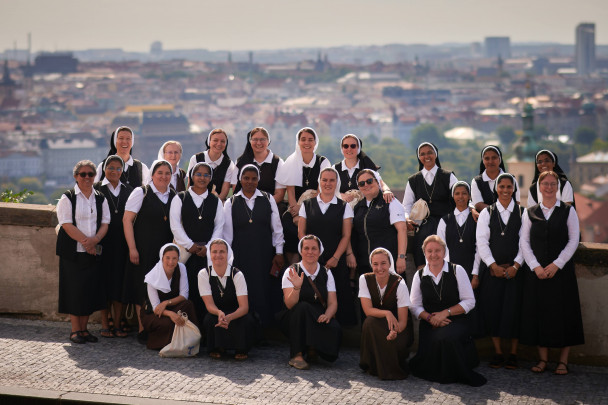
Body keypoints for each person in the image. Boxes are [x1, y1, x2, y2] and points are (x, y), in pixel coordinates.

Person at [520, 170, 584, 375]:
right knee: (539, 314)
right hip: (536, 273)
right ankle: (543, 360)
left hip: (561, 272)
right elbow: (524, 242)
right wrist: (535, 266)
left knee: (565, 314)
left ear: (558, 187)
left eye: (552, 184)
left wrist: (557, 264)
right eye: (545, 184)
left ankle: (563, 361)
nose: (548, 187)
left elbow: (574, 240)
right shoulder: (529, 212)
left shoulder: (568, 211)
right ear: (539, 187)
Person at [409, 235, 486, 387]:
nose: (433, 254)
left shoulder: (458, 270)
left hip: (456, 320)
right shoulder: (419, 275)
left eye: (438, 250)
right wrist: (431, 318)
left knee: (446, 338)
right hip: (430, 322)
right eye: (429, 251)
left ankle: (453, 372)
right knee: (438, 337)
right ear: (424, 253)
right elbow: (414, 306)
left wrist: (445, 313)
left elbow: (470, 301)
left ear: (444, 252)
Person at [223, 164, 285, 326]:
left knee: (263, 291)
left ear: (259, 180)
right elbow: (227, 235)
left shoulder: (268, 198)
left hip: (263, 254)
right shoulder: (231, 202)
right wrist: (228, 261)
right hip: (240, 255)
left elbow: (277, 229)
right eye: (246, 178)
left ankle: (263, 330)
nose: (250, 182)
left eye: (254, 178)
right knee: (243, 291)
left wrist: (279, 252)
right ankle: (245, 329)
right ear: (240, 180)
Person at [56, 160, 110, 344]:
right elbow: (66, 224)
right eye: (83, 174)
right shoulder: (68, 198)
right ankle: (75, 330)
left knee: (89, 291)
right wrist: (86, 242)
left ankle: (85, 330)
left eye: (90, 174)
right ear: (76, 177)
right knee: (74, 291)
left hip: (92, 251)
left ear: (95, 176)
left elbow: (105, 223)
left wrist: (95, 241)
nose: (87, 178)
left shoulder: (100, 198)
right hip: (73, 252)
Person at [123, 159, 176, 343]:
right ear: (152, 175)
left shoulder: (175, 195)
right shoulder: (141, 192)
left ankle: (158, 328)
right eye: (160, 172)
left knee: (161, 289)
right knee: (142, 288)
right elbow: (127, 220)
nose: (163, 176)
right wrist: (132, 248)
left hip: (165, 252)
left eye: (167, 173)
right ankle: (142, 327)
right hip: (143, 248)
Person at [476, 173, 525, 369]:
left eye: (509, 187)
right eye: (501, 187)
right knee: (493, 309)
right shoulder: (487, 212)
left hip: (516, 271)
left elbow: (525, 243)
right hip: (492, 271)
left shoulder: (523, 213)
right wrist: (492, 265)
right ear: (496, 189)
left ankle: (513, 353)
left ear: (514, 189)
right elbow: (481, 242)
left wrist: (516, 265)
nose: (505, 190)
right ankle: (497, 352)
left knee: (514, 311)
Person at [298, 167, 356, 326]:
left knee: (339, 295)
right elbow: (301, 233)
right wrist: (310, 256)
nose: (328, 183)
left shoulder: (344, 207)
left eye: (332, 180)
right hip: (311, 259)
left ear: (337, 182)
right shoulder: (307, 204)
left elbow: (346, 235)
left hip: (335, 258)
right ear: (319, 182)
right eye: (324, 180)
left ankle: (336, 336)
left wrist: (336, 258)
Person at [170, 162, 224, 323]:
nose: (202, 178)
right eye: (198, 174)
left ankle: (205, 330)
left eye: (206, 175)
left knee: (206, 291)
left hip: (207, 254)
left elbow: (219, 226)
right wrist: (190, 245)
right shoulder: (180, 198)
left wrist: (208, 247)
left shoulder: (215, 201)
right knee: (186, 290)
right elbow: (175, 225)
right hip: (185, 253)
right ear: (192, 176)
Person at [280, 235, 341, 370]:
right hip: (295, 317)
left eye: (314, 248)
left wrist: (328, 315)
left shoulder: (326, 273)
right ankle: (297, 354)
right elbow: (289, 305)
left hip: (318, 315)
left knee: (334, 328)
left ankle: (314, 347)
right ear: (301, 251)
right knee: (302, 307)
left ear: (319, 252)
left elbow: (333, 303)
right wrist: (296, 288)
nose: (310, 252)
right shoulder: (291, 271)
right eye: (306, 248)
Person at [276, 127, 331, 261]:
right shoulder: (291, 161)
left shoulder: (322, 162)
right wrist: (295, 211)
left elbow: (321, 190)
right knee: (288, 224)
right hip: (296, 207)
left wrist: (304, 210)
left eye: (310, 140)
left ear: (315, 142)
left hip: (316, 204)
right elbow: (290, 191)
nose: (307, 143)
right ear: (298, 142)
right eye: (303, 139)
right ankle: (293, 266)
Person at [94, 155, 133, 338]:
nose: (114, 171)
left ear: (122, 170)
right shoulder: (96, 189)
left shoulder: (130, 191)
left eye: (118, 168)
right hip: (103, 242)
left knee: (120, 284)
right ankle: (105, 323)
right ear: (104, 169)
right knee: (103, 284)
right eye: (111, 167)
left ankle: (117, 323)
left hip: (123, 244)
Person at [403, 142, 458, 269]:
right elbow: (406, 204)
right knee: (421, 251)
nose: (426, 156)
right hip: (423, 225)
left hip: (446, 221)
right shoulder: (413, 180)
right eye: (422, 154)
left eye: (429, 152)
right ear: (419, 157)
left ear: (435, 154)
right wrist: (407, 218)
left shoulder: (448, 176)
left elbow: (460, 196)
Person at [359, 248, 412, 380]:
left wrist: (395, 331)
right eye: (375, 264)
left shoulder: (400, 284)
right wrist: (387, 313)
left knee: (394, 340)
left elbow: (403, 322)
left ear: (390, 264)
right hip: (378, 323)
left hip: (398, 327)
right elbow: (367, 310)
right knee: (369, 322)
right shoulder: (364, 279)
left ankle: (391, 368)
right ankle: (372, 364)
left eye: (383, 263)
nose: (379, 268)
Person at [198, 239, 256, 359]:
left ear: (227, 254)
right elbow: (209, 305)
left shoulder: (237, 274)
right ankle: (217, 347)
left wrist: (229, 317)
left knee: (246, 320)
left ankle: (241, 349)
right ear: (210, 254)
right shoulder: (203, 274)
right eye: (214, 252)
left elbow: (244, 307)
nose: (218, 255)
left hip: (236, 313)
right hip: (216, 312)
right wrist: (219, 313)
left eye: (222, 252)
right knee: (209, 320)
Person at [140, 243, 197, 350]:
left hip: (172, 306)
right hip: (155, 313)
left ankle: (191, 341)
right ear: (162, 258)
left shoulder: (181, 268)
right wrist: (171, 314)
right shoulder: (152, 277)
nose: (171, 262)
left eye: (174, 258)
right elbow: (156, 308)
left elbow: (184, 295)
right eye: (168, 258)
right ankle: (166, 345)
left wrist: (166, 303)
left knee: (188, 305)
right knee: (169, 322)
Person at [352, 169, 407, 278]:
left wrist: (401, 257)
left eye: (369, 181)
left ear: (377, 182)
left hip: (388, 264)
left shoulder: (390, 201)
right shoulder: (358, 207)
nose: (366, 185)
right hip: (365, 264)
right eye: (361, 183)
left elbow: (402, 230)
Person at [436, 181, 481, 282]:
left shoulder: (477, 220)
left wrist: (475, 274)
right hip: (450, 270)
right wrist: (447, 271)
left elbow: (480, 248)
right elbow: (441, 247)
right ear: (453, 196)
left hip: (472, 270)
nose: (460, 196)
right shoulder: (444, 221)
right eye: (457, 193)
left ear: (469, 196)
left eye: (464, 193)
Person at [334, 134, 393, 203]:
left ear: (358, 148)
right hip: (342, 210)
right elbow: (328, 189)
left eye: (353, 146)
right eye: (346, 146)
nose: (349, 149)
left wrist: (387, 191)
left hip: (364, 209)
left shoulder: (367, 166)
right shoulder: (334, 169)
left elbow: (381, 183)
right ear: (342, 148)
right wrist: (340, 195)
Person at [234, 127, 286, 204]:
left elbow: (279, 194)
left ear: (268, 141)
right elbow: (236, 190)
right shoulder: (240, 162)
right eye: (255, 139)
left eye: (262, 139)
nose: (258, 143)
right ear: (250, 141)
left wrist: (261, 207)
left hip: (270, 206)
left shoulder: (277, 162)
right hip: (244, 206)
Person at [186, 128, 237, 201]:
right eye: (215, 140)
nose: (219, 144)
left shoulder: (228, 164)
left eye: (222, 141)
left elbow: (225, 189)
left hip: (217, 203)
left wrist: (215, 204)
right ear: (209, 142)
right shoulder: (196, 159)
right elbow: (190, 183)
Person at [471, 145, 520, 211]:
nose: (490, 161)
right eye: (487, 158)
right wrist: (500, 212)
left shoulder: (511, 179)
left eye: (494, 158)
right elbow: (478, 205)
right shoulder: (477, 182)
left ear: (500, 159)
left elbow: (517, 202)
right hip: (485, 220)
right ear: (483, 161)